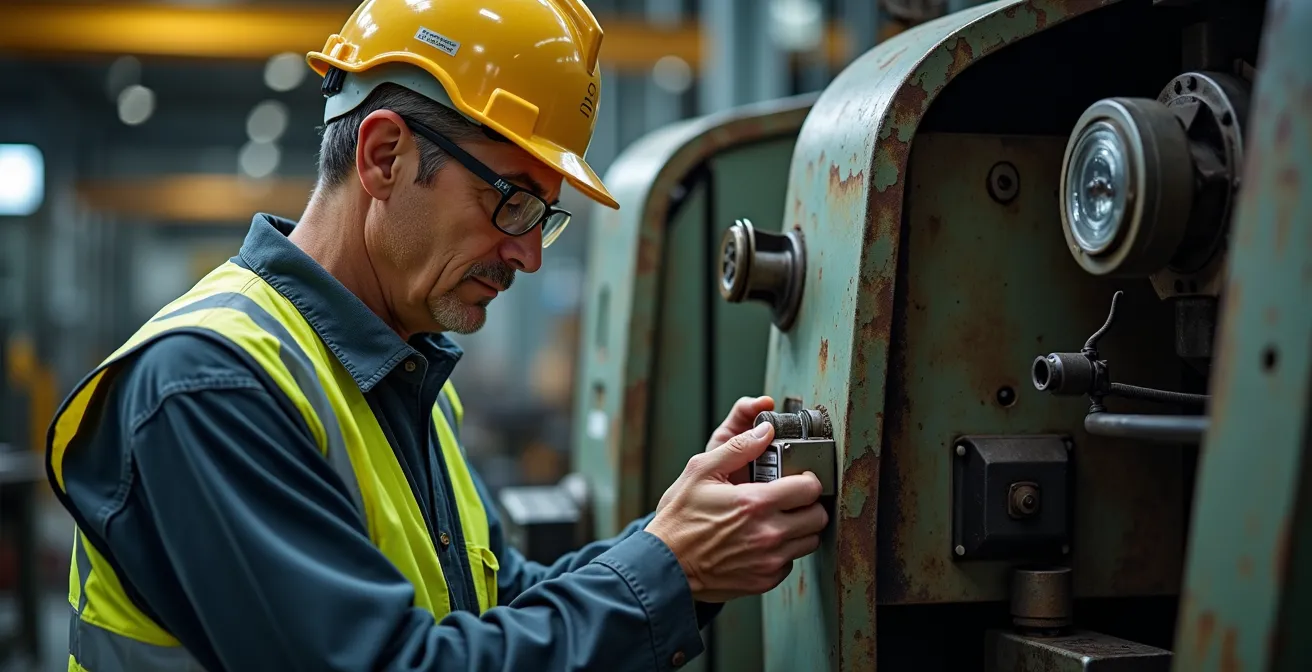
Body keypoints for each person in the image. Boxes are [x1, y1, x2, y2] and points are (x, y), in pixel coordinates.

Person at [43, 1, 828, 671]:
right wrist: (666, 571)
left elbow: (498, 604)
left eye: (543, 217)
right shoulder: (209, 387)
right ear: (384, 155)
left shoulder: (399, 377)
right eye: (513, 201)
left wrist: (683, 539)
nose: (527, 253)